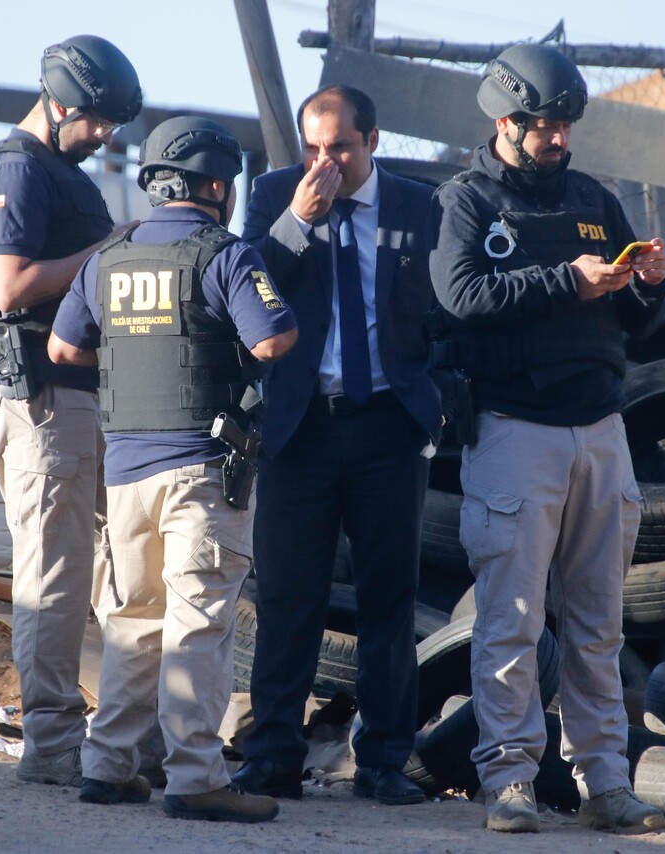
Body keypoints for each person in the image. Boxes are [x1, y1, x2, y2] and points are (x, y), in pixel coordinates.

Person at [426, 44, 665, 834]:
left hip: (602, 431)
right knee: (513, 618)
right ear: (506, 121)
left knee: (599, 623)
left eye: (566, 124)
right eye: (545, 126)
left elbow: (634, 323)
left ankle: (607, 782)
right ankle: (508, 781)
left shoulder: (596, 197)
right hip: (512, 432)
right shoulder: (465, 201)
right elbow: (461, 296)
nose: (559, 138)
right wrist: (569, 278)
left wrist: (648, 283)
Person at [47, 116, 298, 823]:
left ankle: (108, 768)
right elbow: (274, 338)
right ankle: (194, 776)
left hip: (125, 469)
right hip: (200, 470)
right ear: (217, 184)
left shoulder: (107, 258)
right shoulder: (225, 253)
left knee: (132, 618)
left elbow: (66, 351)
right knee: (196, 621)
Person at [231, 85, 442, 806]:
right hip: (300, 425)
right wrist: (298, 221)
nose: (325, 162)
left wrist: (430, 403)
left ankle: (384, 761)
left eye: (341, 148)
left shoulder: (420, 205)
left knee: (390, 599)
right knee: (289, 598)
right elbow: (245, 285)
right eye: (313, 148)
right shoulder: (274, 195)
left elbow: (445, 308)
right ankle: (272, 757)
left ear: (372, 141)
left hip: (387, 422)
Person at [0, 35, 142, 787]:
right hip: (35, 389)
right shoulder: (16, 170)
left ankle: (123, 734)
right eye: (96, 120)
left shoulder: (61, 173)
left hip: (79, 393)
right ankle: (53, 741)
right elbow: (9, 287)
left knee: (114, 561)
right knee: (55, 569)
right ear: (59, 103)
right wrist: (111, 253)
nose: (105, 137)